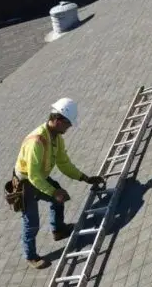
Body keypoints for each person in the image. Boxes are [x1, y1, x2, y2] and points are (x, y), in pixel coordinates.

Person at [14, 98, 103, 269]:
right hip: (26, 183)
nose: (69, 128)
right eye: (68, 125)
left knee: (59, 197)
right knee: (31, 222)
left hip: (38, 177)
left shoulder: (56, 137)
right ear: (58, 120)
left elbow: (63, 163)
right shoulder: (37, 141)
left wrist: (84, 177)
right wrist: (53, 192)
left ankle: (58, 230)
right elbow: (33, 177)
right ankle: (31, 256)